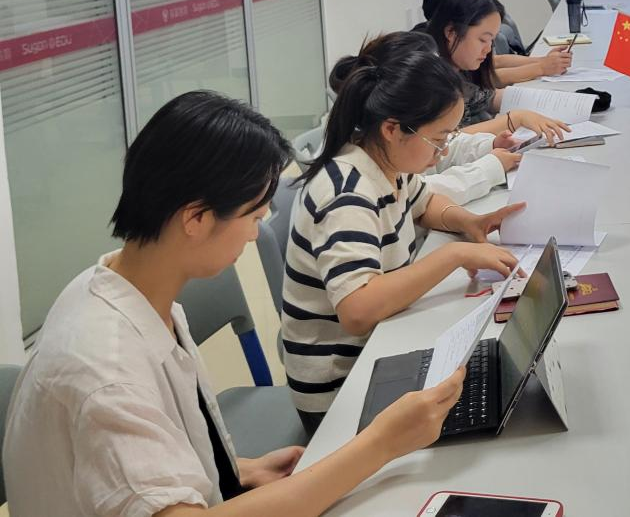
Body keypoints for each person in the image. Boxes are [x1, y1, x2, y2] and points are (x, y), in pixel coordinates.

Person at [2, 90, 468, 517]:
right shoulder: (107, 372)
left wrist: (234, 470)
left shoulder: (117, 287)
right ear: (196, 218)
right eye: (253, 216)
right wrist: (382, 444)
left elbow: (129, 462)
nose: (254, 234)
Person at [282, 32, 522, 431]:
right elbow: (358, 310)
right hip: (341, 388)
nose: (443, 151)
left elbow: (425, 203)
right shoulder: (347, 194)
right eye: (439, 139)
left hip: (379, 350)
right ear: (393, 129)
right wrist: (454, 255)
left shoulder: (388, 164)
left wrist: (467, 222)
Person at [327, 31, 521, 206]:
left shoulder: (394, 144)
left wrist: (489, 146)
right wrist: (490, 168)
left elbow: (445, 147)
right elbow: (428, 193)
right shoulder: (359, 182)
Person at [421, 0, 573, 143]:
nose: (488, 49)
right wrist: (513, 120)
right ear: (451, 32)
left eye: (491, 40)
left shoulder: (459, 65)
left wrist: (559, 103)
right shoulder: (428, 78)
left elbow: (486, 98)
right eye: (482, 40)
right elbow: (442, 141)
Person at [421, 0, 572, 84]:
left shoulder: (459, 54)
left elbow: (494, 66)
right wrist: (541, 67)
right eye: (483, 40)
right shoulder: (431, 68)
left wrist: (542, 62)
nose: (488, 48)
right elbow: (492, 77)